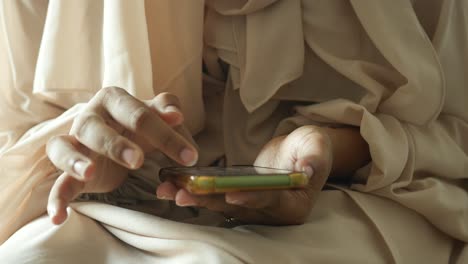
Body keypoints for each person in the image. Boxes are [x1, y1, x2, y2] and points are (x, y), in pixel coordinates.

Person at [0, 0, 467, 263]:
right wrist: (86, 159)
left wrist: (337, 148)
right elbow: (15, 149)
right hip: (110, 216)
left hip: (363, 202)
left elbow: (456, 134)